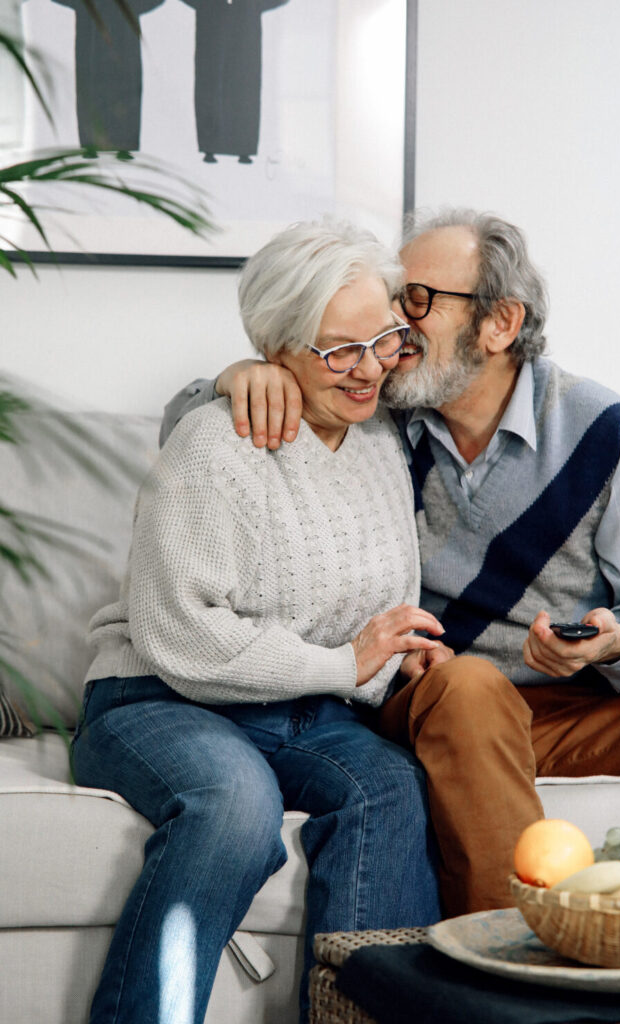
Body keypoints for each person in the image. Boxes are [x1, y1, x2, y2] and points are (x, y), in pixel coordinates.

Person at [162, 206, 620, 919]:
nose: (391, 331)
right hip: (437, 698)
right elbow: (196, 442)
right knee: (470, 688)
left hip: (573, 706)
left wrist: (618, 643)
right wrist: (237, 377)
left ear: (499, 323)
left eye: (415, 301)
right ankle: (506, 963)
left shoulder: (611, 437)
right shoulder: (378, 412)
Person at [71, 219, 444, 1024]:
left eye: (381, 339)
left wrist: (386, 662)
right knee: (235, 807)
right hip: (156, 699)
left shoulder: (380, 443)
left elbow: (369, 615)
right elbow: (182, 639)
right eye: (337, 349)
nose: (368, 368)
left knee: (390, 788)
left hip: (301, 712)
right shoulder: (218, 442)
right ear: (276, 350)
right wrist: (346, 667)